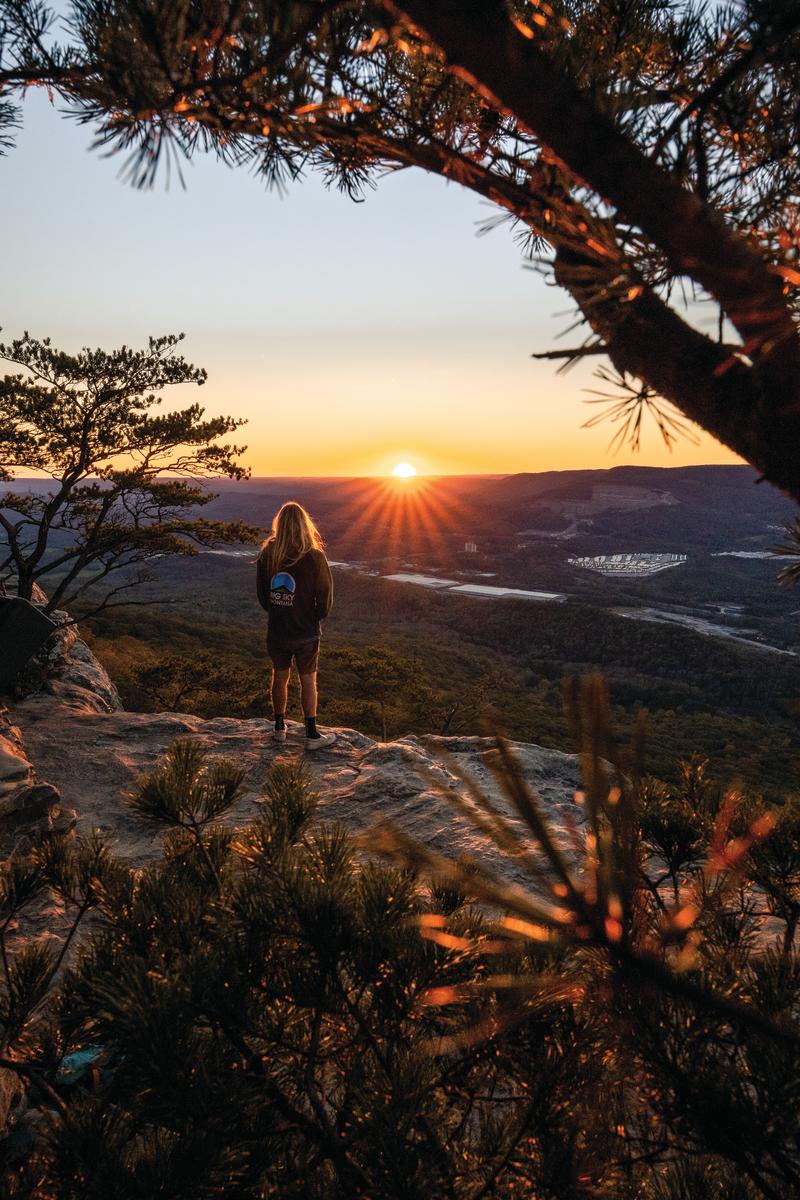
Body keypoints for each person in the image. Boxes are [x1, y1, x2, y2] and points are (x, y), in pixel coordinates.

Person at [256, 501, 335, 749]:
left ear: (279, 524)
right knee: (308, 680)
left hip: (278, 629)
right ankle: (311, 734)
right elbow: (325, 599)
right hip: (306, 631)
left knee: (279, 676)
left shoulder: (269, 553)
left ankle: (279, 727)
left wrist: (279, 610)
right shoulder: (314, 557)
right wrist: (313, 616)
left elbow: (263, 595)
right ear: (304, 525)